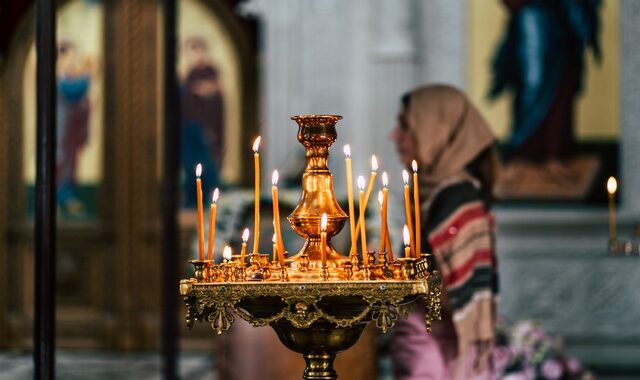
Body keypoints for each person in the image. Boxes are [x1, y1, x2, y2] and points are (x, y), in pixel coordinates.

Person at [389, 84, 499, 380]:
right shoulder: (439, 192)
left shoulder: (456, 198)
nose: (394, 135)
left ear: (435, 130)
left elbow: (457, 296)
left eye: (405, 125)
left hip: (436, 352)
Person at [489, 0, 601, 172]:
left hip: (562, 23)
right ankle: (527, 153)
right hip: (535, 20)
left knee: (560, 88)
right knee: (534, 86)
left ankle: (555, 155)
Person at [180, 36, 225, 208]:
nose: (191, 56)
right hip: (189, 128)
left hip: (204, 129)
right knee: (191, 170)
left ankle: (210, 204)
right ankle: (192, 204)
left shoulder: (210, 72)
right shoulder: (191, 74)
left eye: (193, 51)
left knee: (208, 169)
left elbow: (211, 92)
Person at [56, 41, 92, 217]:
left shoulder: (68, 78)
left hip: (71, 133)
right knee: (59, 162)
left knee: (70, 162)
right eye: (69, 57)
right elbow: (73, 91)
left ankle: (68, 197)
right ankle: (58, 199)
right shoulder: (58, 80)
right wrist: (87, 77)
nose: (72, 62)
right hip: (59, 132)